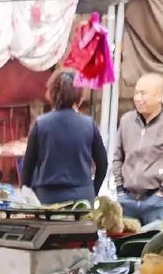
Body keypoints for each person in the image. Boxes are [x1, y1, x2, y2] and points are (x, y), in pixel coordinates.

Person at [110, 72, 163, 225]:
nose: (138, 98)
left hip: (157, 202)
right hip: (127, 200)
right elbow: (117, 156)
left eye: (143, 94)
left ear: (159, 96)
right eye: (136, 93)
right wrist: (119, 189)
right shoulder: (127, 121)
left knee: (154, 246)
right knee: (125, 246)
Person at [21, 68, 108, 205]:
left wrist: (26, 193)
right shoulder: (89, 125)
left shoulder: (41, 124)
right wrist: (93, 191)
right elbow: (103, 164)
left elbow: (28, 166)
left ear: (52, 93)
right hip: (82, 197)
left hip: (47, 198)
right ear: (79, 95)